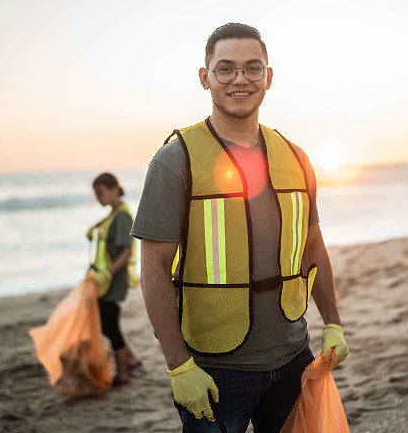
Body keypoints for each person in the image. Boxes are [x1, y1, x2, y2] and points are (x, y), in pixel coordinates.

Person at [131, 23, 349, 432]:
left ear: (269, 77)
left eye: (252, 68)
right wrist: (179, 367)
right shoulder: (175, 159)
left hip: (292, 358)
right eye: (225, 69)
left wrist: (333, 323)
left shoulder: (296, 157)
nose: (240, 79)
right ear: (205, 78)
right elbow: (154, 269)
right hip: (214, 372)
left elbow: (313, 245)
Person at [86, 172, 143, 386]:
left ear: (113, 189)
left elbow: (127, 252)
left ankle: (123, 374)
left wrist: (106, 273)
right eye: (96, 194)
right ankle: (132, 361)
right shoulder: (115, 211)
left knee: (109, 327)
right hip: (107, 281)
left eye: (100, 193)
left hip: (113, 282)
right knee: (109, 324)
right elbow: (108, 221)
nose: (98, 198)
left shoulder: (122, 216)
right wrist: (94, 229)